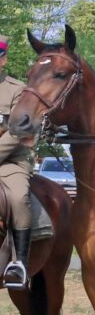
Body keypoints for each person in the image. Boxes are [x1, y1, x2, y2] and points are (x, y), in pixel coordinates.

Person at [0, 35, 33, 289]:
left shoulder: (18, 89)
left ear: (4, 60)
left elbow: (19, 130)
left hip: (10, 161)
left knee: (18, 198)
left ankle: (19, 263)